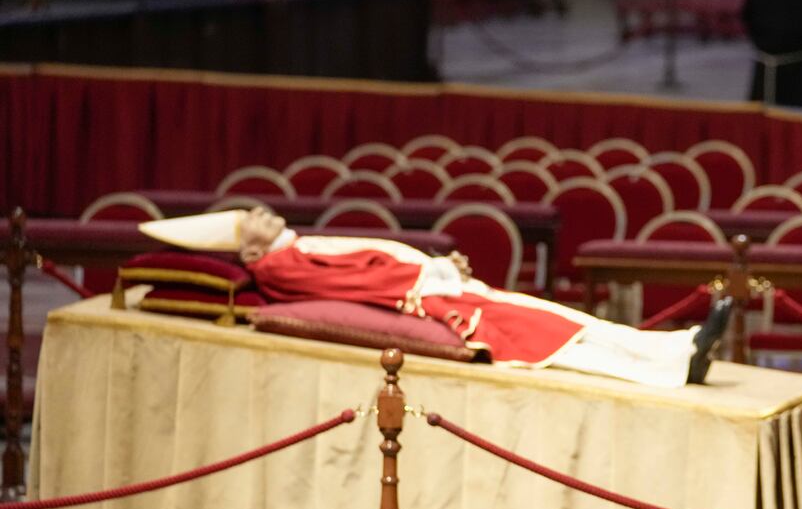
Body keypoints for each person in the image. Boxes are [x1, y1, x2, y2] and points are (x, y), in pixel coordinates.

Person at [140, 208, 733, 388]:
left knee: (556, 317)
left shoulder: (289, 247)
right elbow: (351, 284)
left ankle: (678, 350)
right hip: (430, 302)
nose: (265, 212)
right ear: (247, 253)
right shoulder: (280, 265)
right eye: (253, 220)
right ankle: (675, 361)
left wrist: (434, 267)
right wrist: (429, 281)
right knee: (548, 334)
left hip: (433, 286)